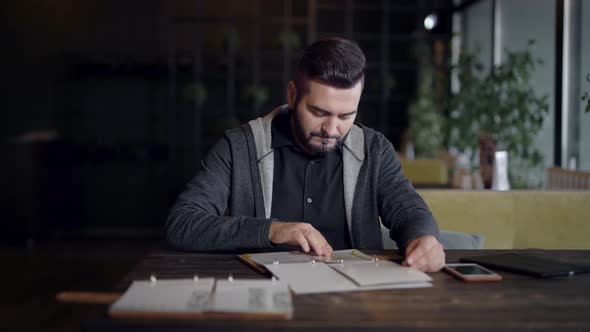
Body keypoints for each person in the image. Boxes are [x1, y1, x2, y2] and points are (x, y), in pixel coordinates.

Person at [166, 38, 445, 272]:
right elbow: (182, 223)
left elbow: (408, 210)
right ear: (291, 95)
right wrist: (271, 231)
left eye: (346, 115)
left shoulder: (374, 150)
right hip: (264, 294)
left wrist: (423, 238)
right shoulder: (239, 147)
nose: (332, 129)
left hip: (354, 300)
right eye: (319, 112)